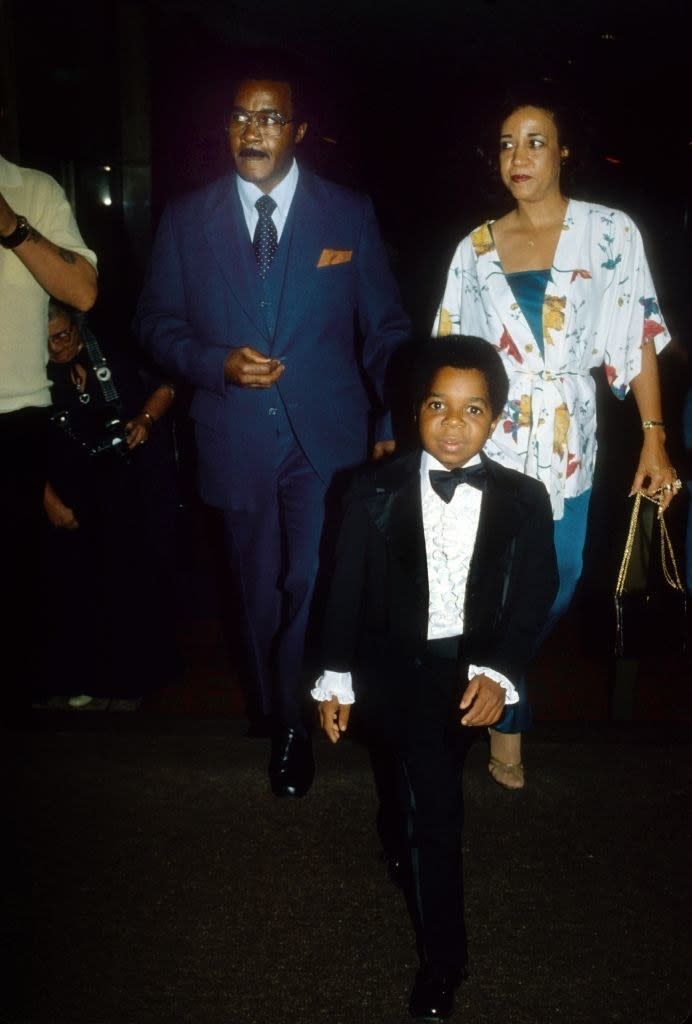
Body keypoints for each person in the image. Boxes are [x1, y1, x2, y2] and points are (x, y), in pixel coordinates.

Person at [134, 54, 410, 797]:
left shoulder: (347, 213)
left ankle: (294, 718)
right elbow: (154, 325)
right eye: (239, 116)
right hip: (235, 435)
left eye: (270, 117)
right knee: (257, 589)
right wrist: (213, 361)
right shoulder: (187, 220)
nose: (252, 130)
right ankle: (281, 708)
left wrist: (390, 416)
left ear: (300, 131)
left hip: (329, 441)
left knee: (311, 578)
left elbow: (385, 328)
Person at [432, 87, 681, 789]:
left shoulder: (610, 233)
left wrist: (654, 438)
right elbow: (448, 349)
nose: (519, 157)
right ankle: (506, 712)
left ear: (564, 151)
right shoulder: (475, 247)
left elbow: (636, 339)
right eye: (508, 144)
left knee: (559, 581)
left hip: (571, 443)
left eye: (536, 141)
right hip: (489, 448)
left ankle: (489, 680)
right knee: (489, 585)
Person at [312, 336, 558, 1022]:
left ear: (495, 417)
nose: (454, 424)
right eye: (437, 407)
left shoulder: (524, 498)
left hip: (466, 672)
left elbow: (537, 587)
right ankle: (421, 898)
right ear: (412, 412)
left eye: (473, 408)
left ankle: (429, 913)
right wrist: (334, 678)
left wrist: (500, 670)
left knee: (432, 800)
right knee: (414, 789)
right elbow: (343, 587)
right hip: (389, 666)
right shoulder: (369, 491)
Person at [41, 299, 179, 705]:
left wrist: (146, 420)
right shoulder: (27, 365)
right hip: (70, 492)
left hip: (127, 485)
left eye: (63, 335)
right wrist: (47, 497)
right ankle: (84, 680)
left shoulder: (114, 346)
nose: (56, 347)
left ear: (78, 324)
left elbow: (168, 382)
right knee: (78, 590)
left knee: (132, 583)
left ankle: (131, 683)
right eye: (46, 341)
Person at [1, 148, 97, 718]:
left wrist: (10, 225)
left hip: (15, 415)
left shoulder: (32, 189)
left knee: (17, 592)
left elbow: (82, 292)